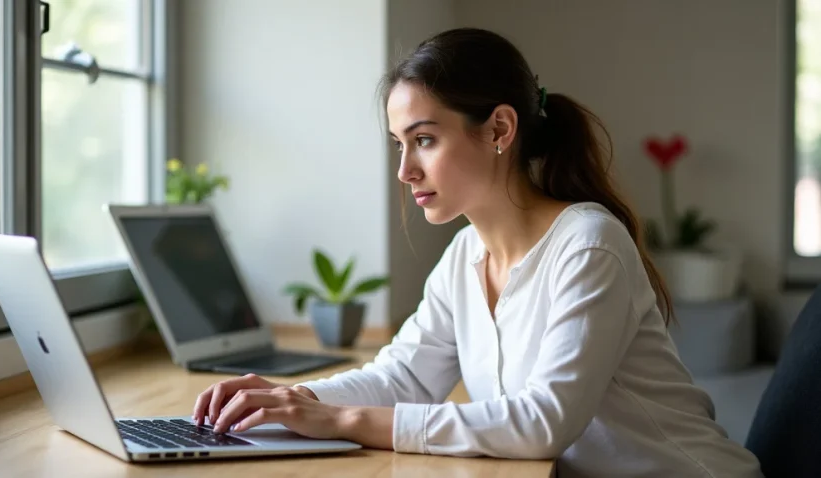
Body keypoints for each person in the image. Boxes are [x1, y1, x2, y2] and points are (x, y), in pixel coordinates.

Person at [192, 28, 763, 477]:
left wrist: (342, 418)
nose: (404, 170)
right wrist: (292, 397)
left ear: (498, 129)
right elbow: (405, 378)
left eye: (424, 140)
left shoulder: (590, 245)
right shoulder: (464, 256)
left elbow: (543, 424)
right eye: (400, 144)